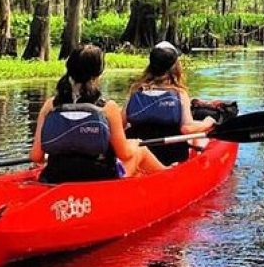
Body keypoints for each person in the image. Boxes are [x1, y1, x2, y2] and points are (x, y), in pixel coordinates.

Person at [30, 44, 166, 183]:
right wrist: (135, 143)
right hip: (100, 182)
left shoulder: (50, 105)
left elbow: (36, 156)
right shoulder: (108, 108)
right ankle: (171, 178)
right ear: (98, 74)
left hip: (55, 178)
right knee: (140, 151)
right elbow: (124, 154)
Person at [124, 41, 216, 165]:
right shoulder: (179, 94)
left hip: (138, 154)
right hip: (171, 156)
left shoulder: (135, 91)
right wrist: (208, 122)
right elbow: (187, 128)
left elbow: (120, 124)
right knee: (197, 136)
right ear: (174, 67)